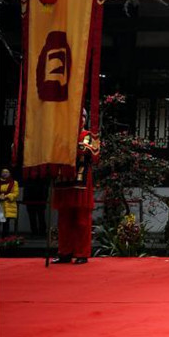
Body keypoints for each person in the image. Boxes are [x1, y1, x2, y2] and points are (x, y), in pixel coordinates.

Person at [52, 113, 100, 264]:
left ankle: (81, 253)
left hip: (81, 178)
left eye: (83, 117)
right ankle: (64, 252)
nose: (80, 120)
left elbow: (91, 152)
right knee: (64, 219)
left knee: (82, 219)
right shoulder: (61, 135)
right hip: (64, 179)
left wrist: (69, 146)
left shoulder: (90, 135)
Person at [0, 168, 19, 237]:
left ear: (10, 174)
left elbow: (15, 193)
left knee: (6, 223)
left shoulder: (14, 183)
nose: (5, 173)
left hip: (8, 205)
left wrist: (6, 196)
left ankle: (5, 239)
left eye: (7, 172)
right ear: (1, 174)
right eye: (3, 172)